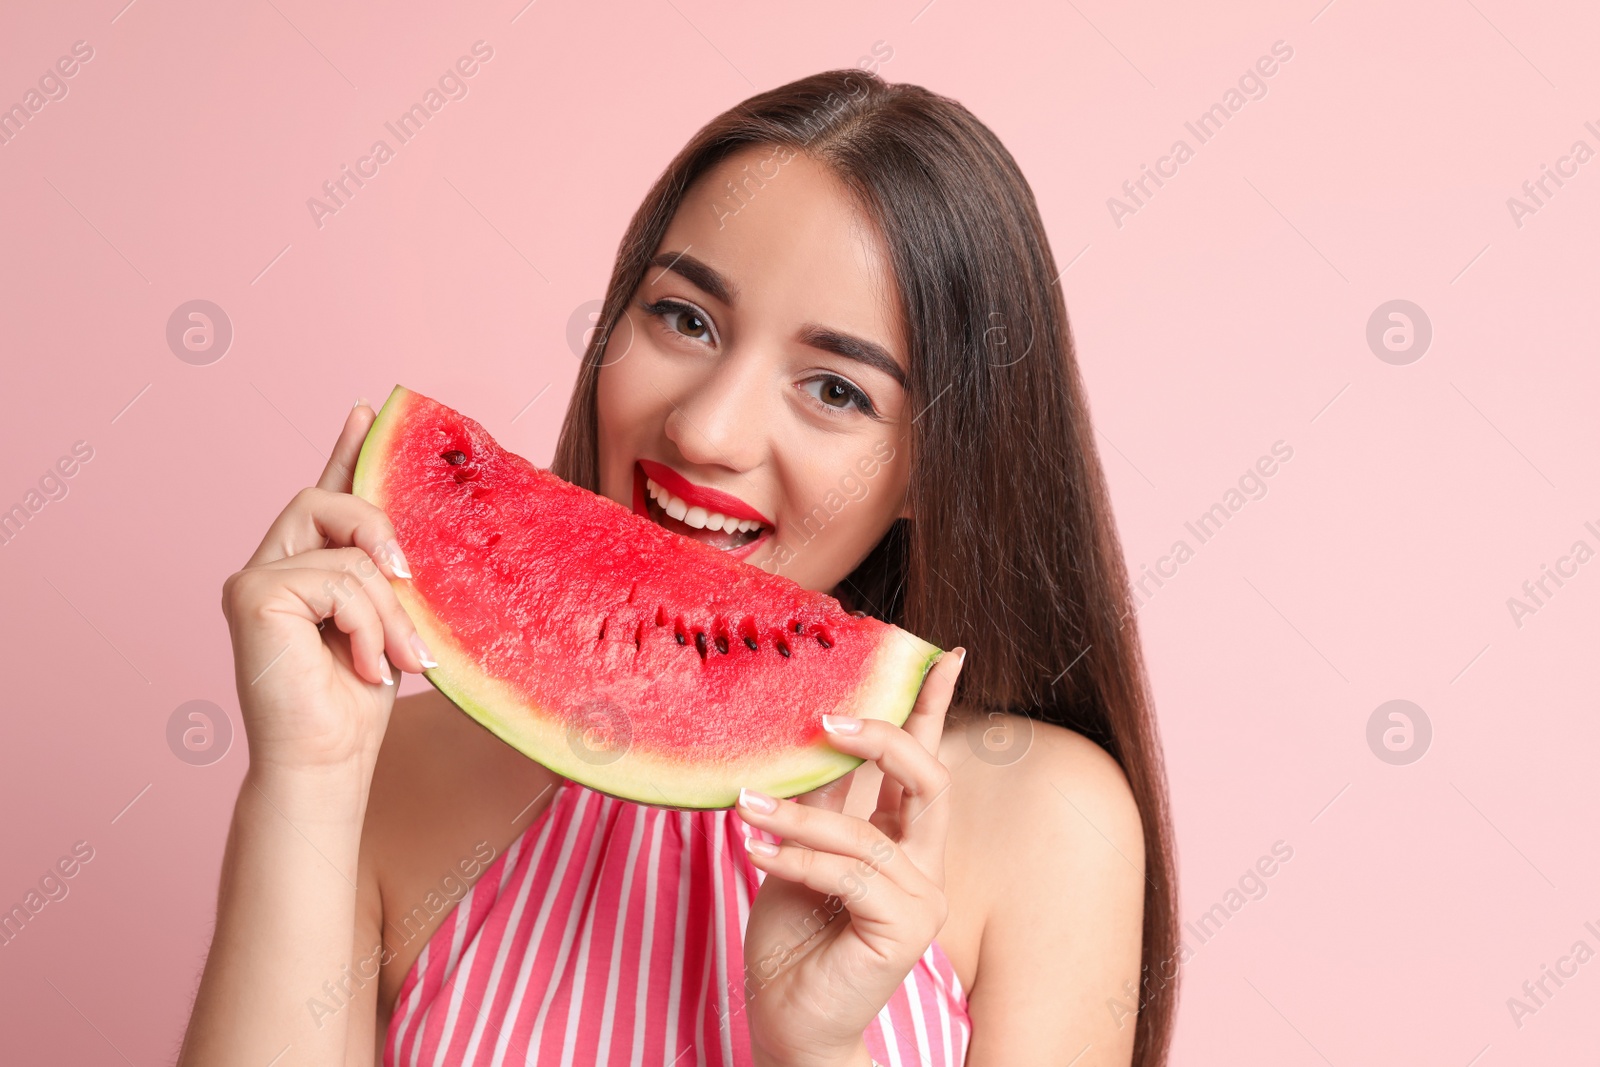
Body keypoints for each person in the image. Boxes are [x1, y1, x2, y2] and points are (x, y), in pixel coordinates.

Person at [178, 69, 1179, 1066]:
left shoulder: (1050, 824)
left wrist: (818, 1042)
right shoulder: (393, 769)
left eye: (834, 387)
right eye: (684, 318)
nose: (706, 427)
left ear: (934, 465)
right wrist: (304, 779)